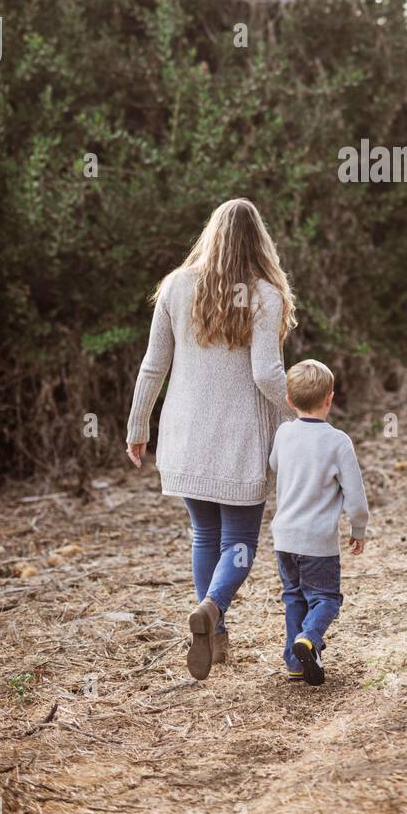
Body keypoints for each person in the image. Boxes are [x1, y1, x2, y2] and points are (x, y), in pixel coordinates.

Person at [124, 198, 296, 680]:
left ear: (211, 235)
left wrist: (138, 427)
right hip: (239, 438)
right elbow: (266, 374)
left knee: (204, 535)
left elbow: (153, 365)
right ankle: (213, 607)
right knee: (239, 541)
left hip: (185, 434)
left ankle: (214, 637)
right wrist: (302, 410)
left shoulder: (176, 286)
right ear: (259, 240)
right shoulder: (265, 295)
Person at [269, 359, 369, 686]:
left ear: (289, 400)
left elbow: (274, 464)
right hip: (317, 541)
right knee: (326, 599)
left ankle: (294, 662)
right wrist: (358, 528)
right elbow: (355, 495)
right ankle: (309, 638)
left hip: (284, 538)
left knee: (294, 597)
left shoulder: (284, 433)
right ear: (330, 399)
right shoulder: (338, 441)